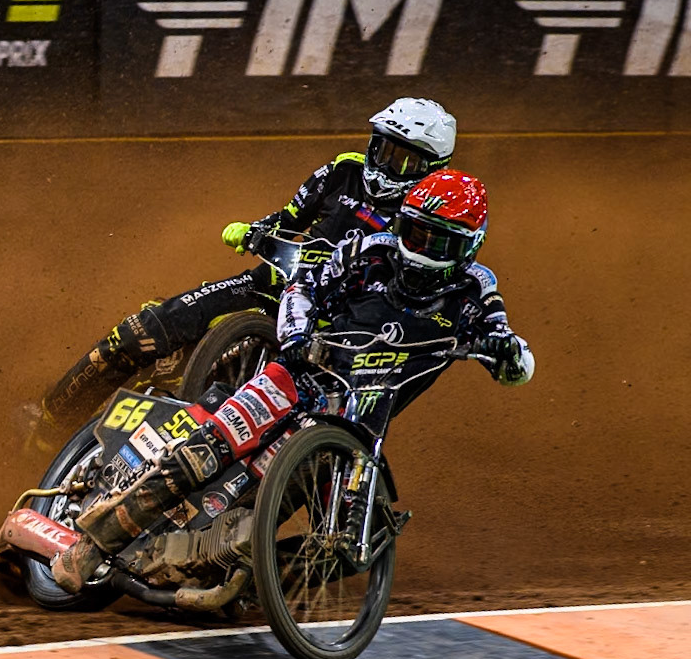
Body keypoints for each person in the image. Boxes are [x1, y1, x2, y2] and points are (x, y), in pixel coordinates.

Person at [52, 169, 534, 591]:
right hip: (300, 375)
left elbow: (515, 356)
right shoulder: (369, 251)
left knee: (349, 545)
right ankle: (91, 548)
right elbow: (303, 287)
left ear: (469, 246)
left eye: (437, 241)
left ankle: (245, 580)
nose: (418, 249)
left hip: (358, 423)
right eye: (413, 231)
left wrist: (505, 353)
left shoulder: (476, 291)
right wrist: (298, 333)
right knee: (205, 453)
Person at [29, 97, 459, 443]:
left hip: (332, 327)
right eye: (384, 148)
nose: (388, 163)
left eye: (405, 159)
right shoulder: (343, 169)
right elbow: (288, 218)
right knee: (142, 330)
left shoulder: (427, 218)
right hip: (270, 285)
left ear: (432, 169)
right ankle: (49, 425)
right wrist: (255, 231)